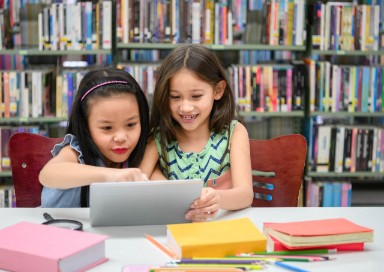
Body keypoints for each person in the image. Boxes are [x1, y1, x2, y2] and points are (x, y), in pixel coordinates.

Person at [140, 44, 254, 222]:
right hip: (173, 230)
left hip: (223, 228)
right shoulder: (157, 137)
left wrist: (218, 199)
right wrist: (157, 179)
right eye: (175, 97)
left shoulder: (234, 132)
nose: (185, 107)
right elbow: (136, 182)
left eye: (196, 96)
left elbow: (246, 194)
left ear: (218, 90)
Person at [39, 67, 149, 207]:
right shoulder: (76, 152)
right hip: (57, 226)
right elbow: (47, 174)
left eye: (131, 124)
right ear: (86, 125)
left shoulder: (141, 154)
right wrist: (110, 175)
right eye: (107, 128)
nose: (121, 137)